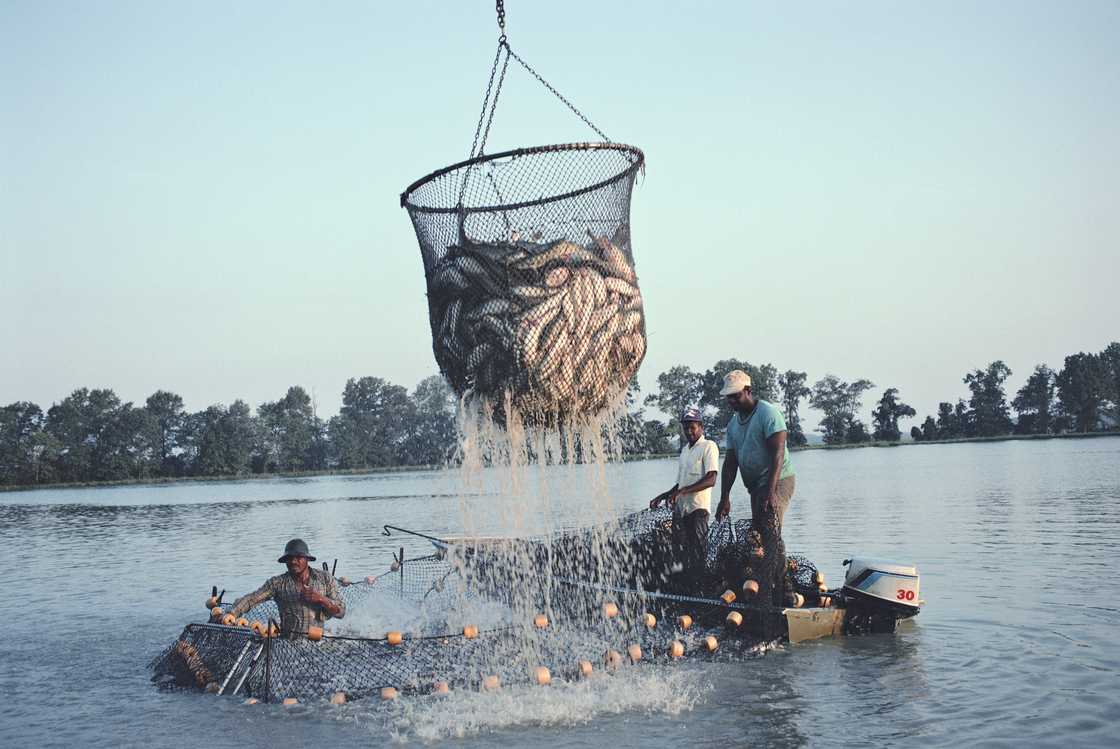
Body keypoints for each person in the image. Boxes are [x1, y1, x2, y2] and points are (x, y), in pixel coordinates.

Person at [714, 370, 796, 624]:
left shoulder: (768, 414)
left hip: (778, 480)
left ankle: (785, 592)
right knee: (762, 534)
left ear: (747, 391)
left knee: (771, 532)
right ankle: (778, 583)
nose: (732, 402)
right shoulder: (733, 425)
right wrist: (724, 497)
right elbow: (730, 463)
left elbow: (778, 454)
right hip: (755, 487)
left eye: (735, 396)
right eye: (728, 398)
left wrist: (770, 492)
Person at [650, 407, 720, 590]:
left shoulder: (709, 446)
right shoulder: (684, 451)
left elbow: (711, 478)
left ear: (701, 427)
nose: (689, 431)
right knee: (680, 551)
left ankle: (701, 589)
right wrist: (663, 495)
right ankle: (686, 588)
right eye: (686, 428)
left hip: (698, 510)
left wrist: (683, 492)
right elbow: (679, 485)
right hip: (681, 510)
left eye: (692, 427)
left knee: (698, 551)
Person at [228, 538, 346, 637]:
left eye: (298, 557)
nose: (293, 561)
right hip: (288, 644)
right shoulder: (277, 583)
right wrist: (232, 613)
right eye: (289, 558)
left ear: (307, 559)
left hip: (316, 642)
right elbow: (252, 599)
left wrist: (321, 599)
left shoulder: (324, 578)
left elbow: (341, 612)